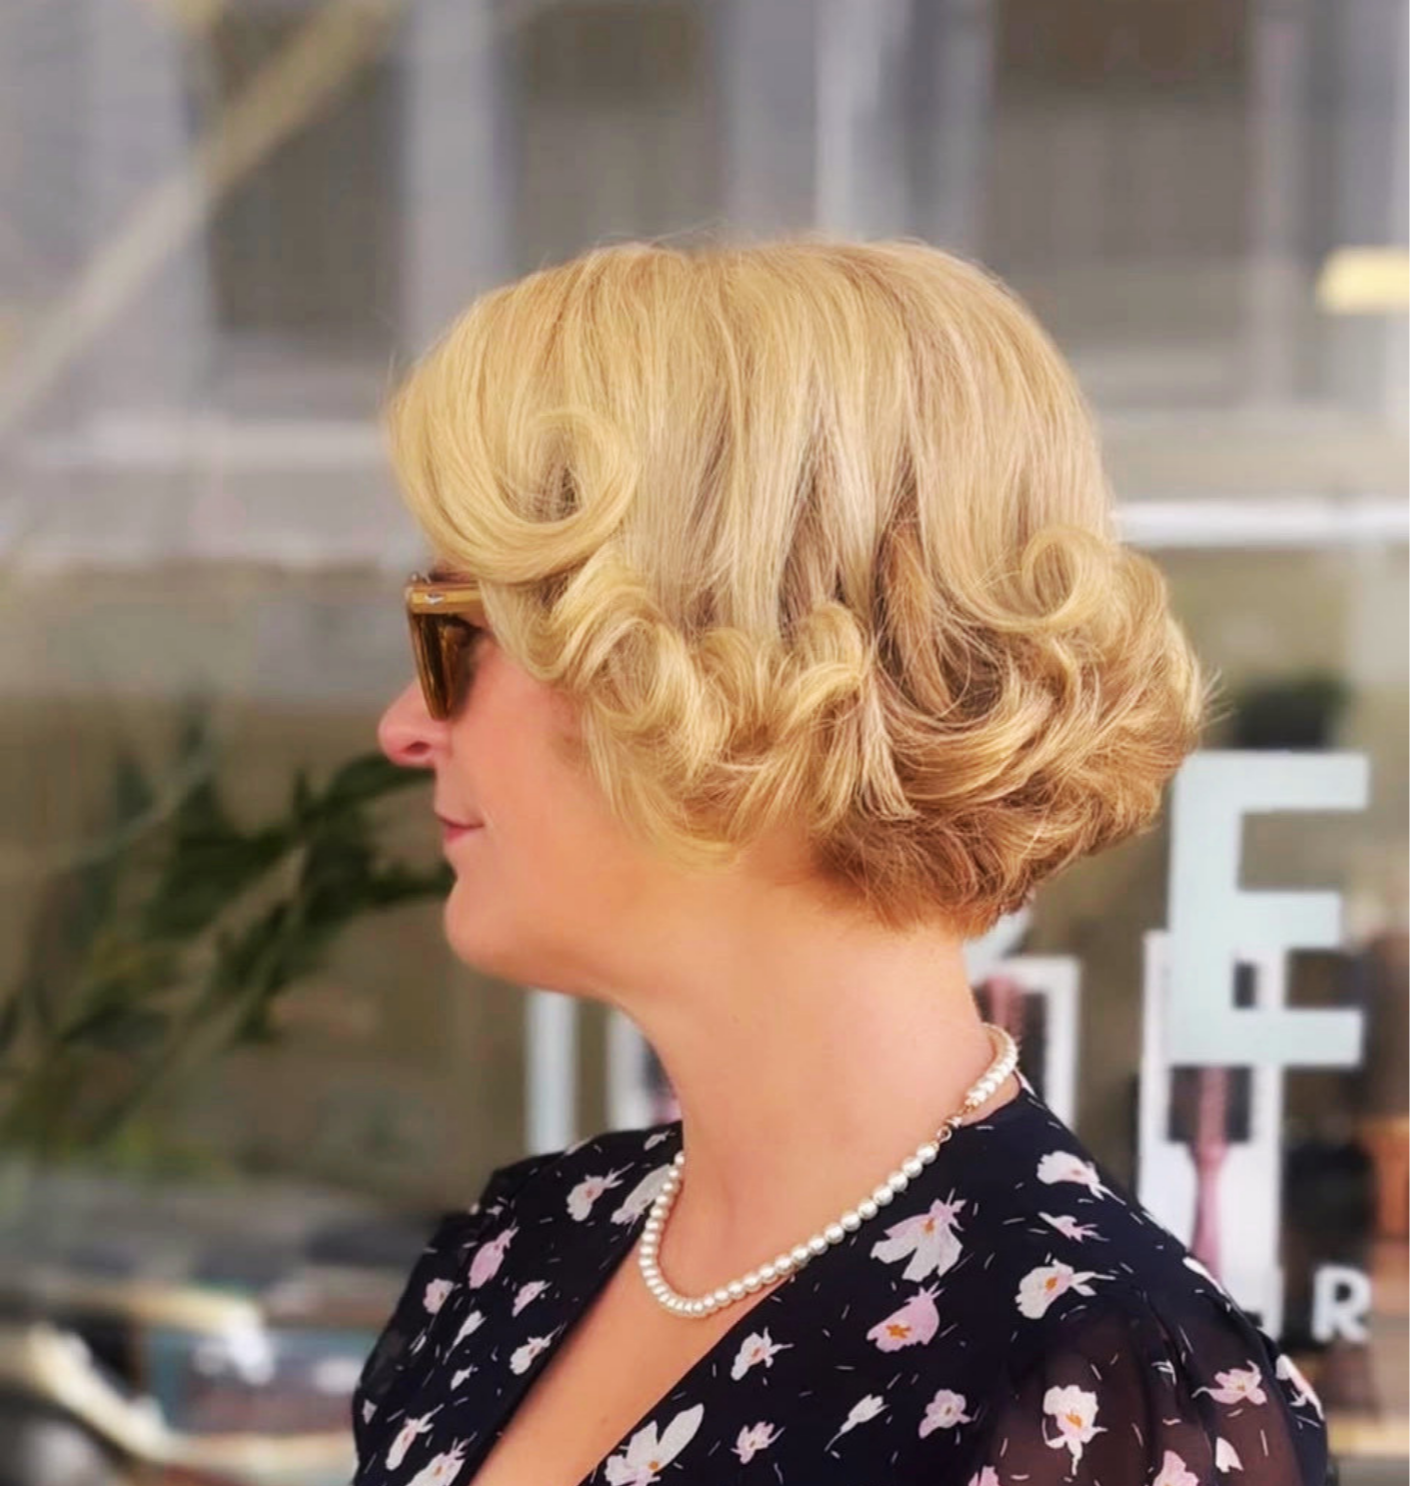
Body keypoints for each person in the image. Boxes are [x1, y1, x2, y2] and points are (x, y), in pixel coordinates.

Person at [360, 239, 1331, 1486]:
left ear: (713, 656)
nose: (403, 722)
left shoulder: (1105, 1396)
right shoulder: (525, 1256)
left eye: (455, 632)